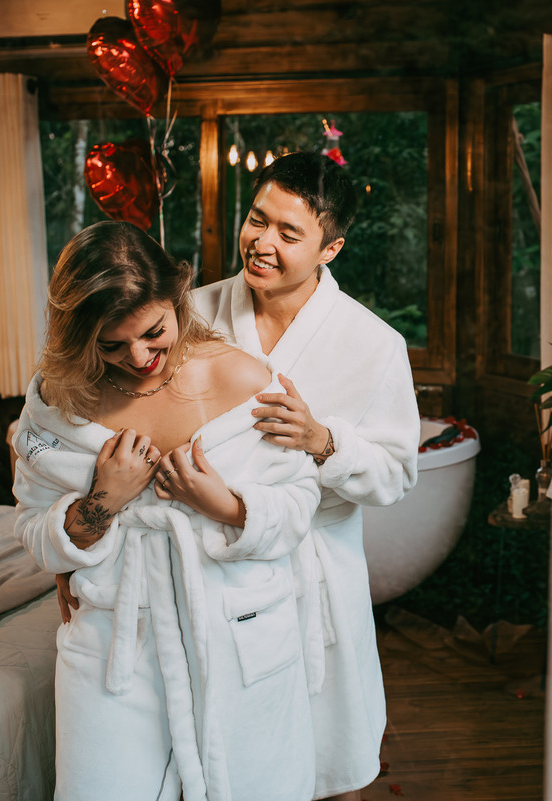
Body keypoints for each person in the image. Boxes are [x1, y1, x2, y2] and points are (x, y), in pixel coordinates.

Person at [12, 220, 321, 801]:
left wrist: (224, 504)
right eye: (111, 345)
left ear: (177, 299)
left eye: (154, 332)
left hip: (237, 627)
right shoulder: (57, 402)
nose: (139, 357)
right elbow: (32, 524)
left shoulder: (243, 378)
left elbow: (300, 502)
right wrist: (102, 502)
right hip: (115, 640)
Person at [195, 151, 420, 801]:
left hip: (314, 565)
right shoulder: (193, 314)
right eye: (256, 219)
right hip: (213, 558)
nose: (261, 242)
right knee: (225, 754)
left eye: (288, 233)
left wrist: (323, 441)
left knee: (331, 752)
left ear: (331, 248)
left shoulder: (373, 343)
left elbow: (395, 474)